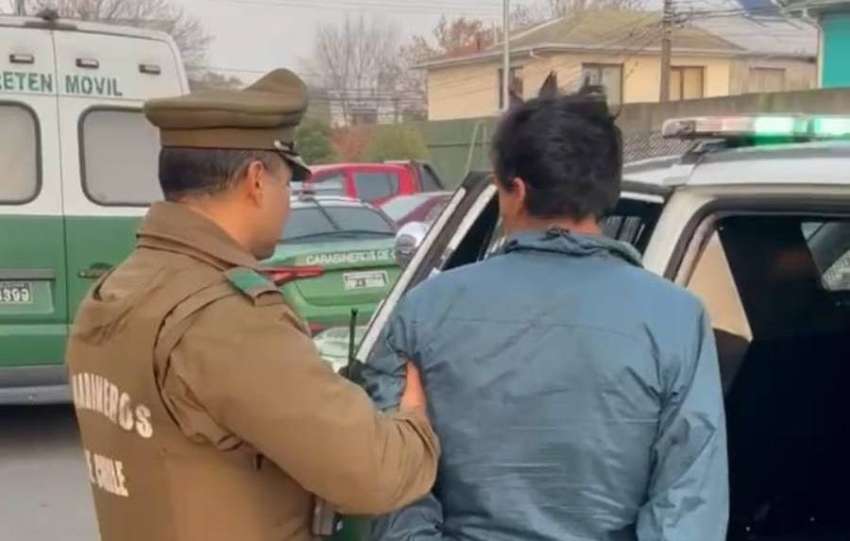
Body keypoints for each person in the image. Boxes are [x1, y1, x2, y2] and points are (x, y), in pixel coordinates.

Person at [66, 69, 440, 541]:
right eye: (287, 184)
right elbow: (374, 473)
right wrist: (414, 421)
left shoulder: (116, 290)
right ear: (256, 180)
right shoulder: (227, 318)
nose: (288, 202)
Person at [362, 81, 729, 540]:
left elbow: (392, 475)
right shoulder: (677, 318)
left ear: (515, 190)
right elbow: (689, 505)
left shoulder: (424, 311)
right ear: (606, 190)